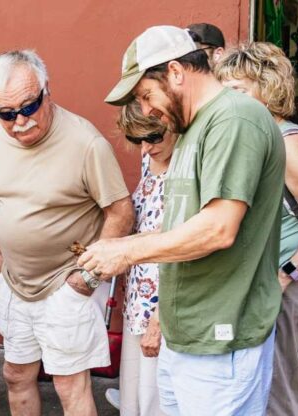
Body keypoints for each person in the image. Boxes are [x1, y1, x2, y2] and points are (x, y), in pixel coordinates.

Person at [84, 25, 286, 415]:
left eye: (146, 95)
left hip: (221, 342)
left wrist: (127, 252)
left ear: (176, 72)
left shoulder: (234, 119)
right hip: (188, 338)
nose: (146, 110)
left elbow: (218, 228)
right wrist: (119, 248)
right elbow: (185, 226)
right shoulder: (194, 126)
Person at [0, 49, 134, 416]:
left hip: (65, 286)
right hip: (14, 284)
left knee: (70, 384)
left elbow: (121, 212)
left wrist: (86, 279)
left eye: (29, 107)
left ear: (46, 90)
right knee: (16, 375)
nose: (19, 122)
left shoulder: (86, 143)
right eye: (6, 113)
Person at [215, 42, 298, 416]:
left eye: (237, 90)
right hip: (264, 276)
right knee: (261, 378)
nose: (228, 100)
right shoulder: (255, 134)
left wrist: (286, 274)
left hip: (287, 277)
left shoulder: (288, 141)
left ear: (268, 88)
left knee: (278, 381)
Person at [103, 101, 173, 416]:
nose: (145, 148)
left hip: (162, 301)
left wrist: (159, 318)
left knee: (156, 399)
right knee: (133, 397)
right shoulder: (150, 159)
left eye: (153, 138)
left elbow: (180, 244)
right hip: (137, 299)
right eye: (138, 140)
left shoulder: (186, 168)